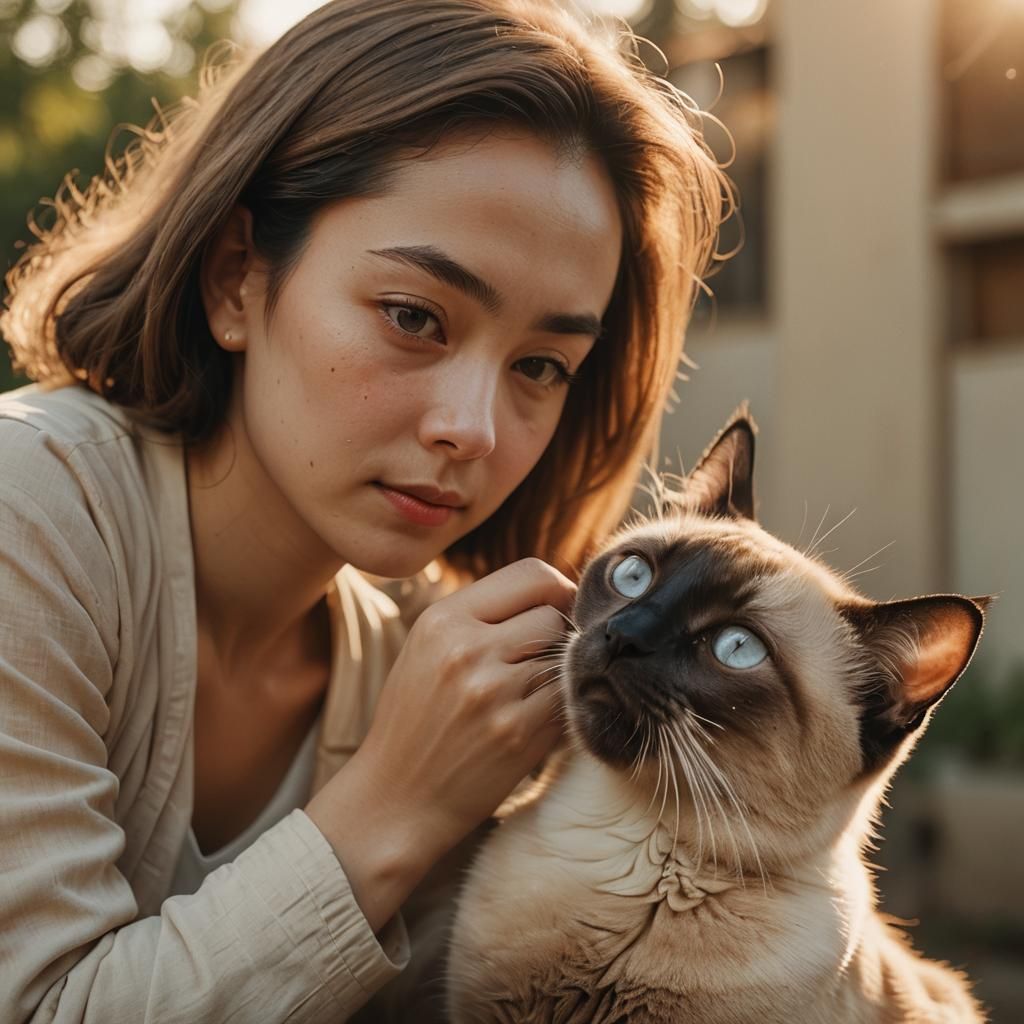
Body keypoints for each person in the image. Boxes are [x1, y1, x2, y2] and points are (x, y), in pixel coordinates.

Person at [0, 0, 729, 1019]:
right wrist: (397, 803)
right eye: (414, 317)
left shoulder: (430, 669)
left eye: (539, 366)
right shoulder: (25, 506)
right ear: (236, 277)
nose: (473, 428)